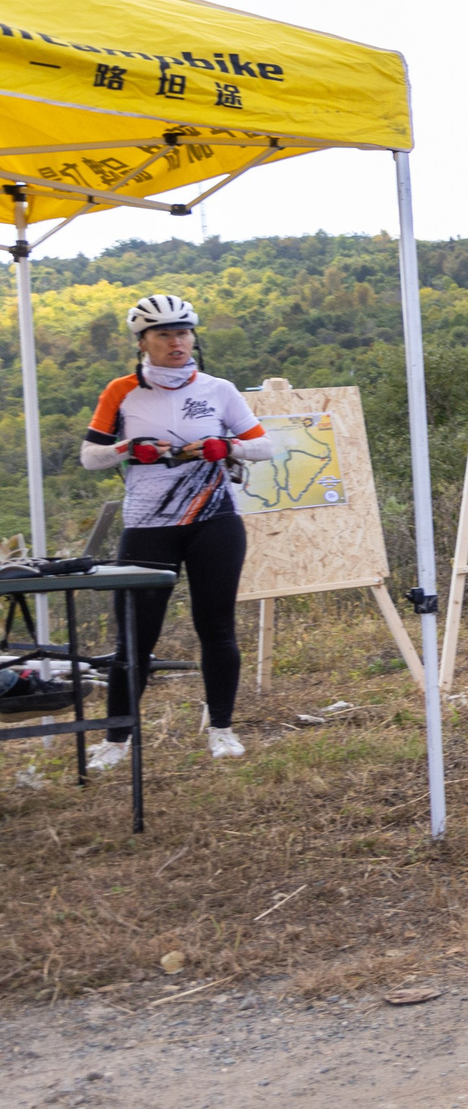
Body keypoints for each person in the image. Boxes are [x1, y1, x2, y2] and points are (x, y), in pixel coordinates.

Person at [76, 294, 272, 770]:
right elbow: (90, 457)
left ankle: (222, 731)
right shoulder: (121, 391)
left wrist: (223, 446)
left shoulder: (218, 388)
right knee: (135, 639)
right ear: (142, 342)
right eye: (163, 334)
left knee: (217, 628)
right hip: (148, 526)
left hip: (214, 521)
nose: (175, 342)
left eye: (183, 332)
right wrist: (128, 448)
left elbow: (263, 447)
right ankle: (116, 740)